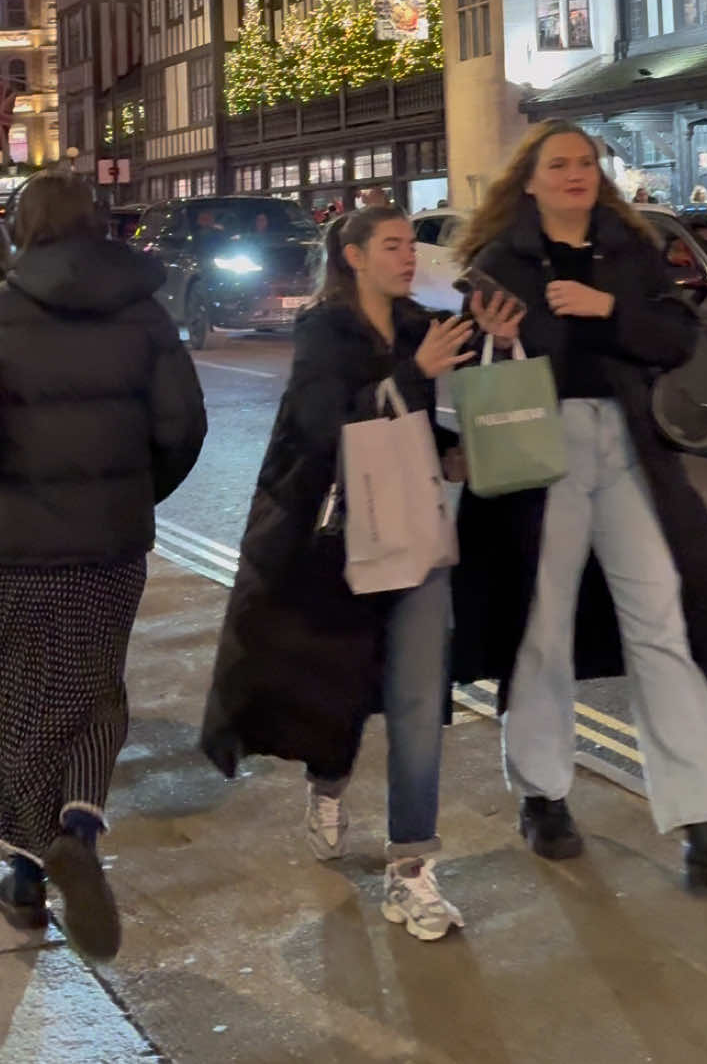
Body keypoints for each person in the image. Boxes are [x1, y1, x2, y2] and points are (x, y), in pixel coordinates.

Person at [454, 123, 707, 891]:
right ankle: (542, 791)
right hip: (542, 446)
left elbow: (676, 338)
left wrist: (606, 308)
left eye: (585, 162)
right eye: (557, 164)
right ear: (526, 181)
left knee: (661, 620)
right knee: (545, 623)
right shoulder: (498, 264)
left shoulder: (629, 251)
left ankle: (705, 823)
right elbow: (471, 363)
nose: (575, 174)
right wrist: (508, 337)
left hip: (631, 443)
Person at [200, 205, 507, 941]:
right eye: (393, 245)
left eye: (411, 245)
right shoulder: (324, 331)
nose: (409, 256)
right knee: (341, 686)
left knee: (418, 701)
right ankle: (327, 782)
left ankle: (411, 871)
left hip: (416, 531)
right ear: (354, 254)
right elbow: (322, 423)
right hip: (341, 540)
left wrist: (495, 343)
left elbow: (434, 416)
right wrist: (413, 375)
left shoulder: (416, 326)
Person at [0, 171, 206, 958]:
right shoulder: (145, 315)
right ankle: (77, 828)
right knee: (93, 696)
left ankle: (22, 868)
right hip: (110, 548)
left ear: (22, 229)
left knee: (20, 699)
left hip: (13, 550)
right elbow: (183, 426)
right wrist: (131, 496)